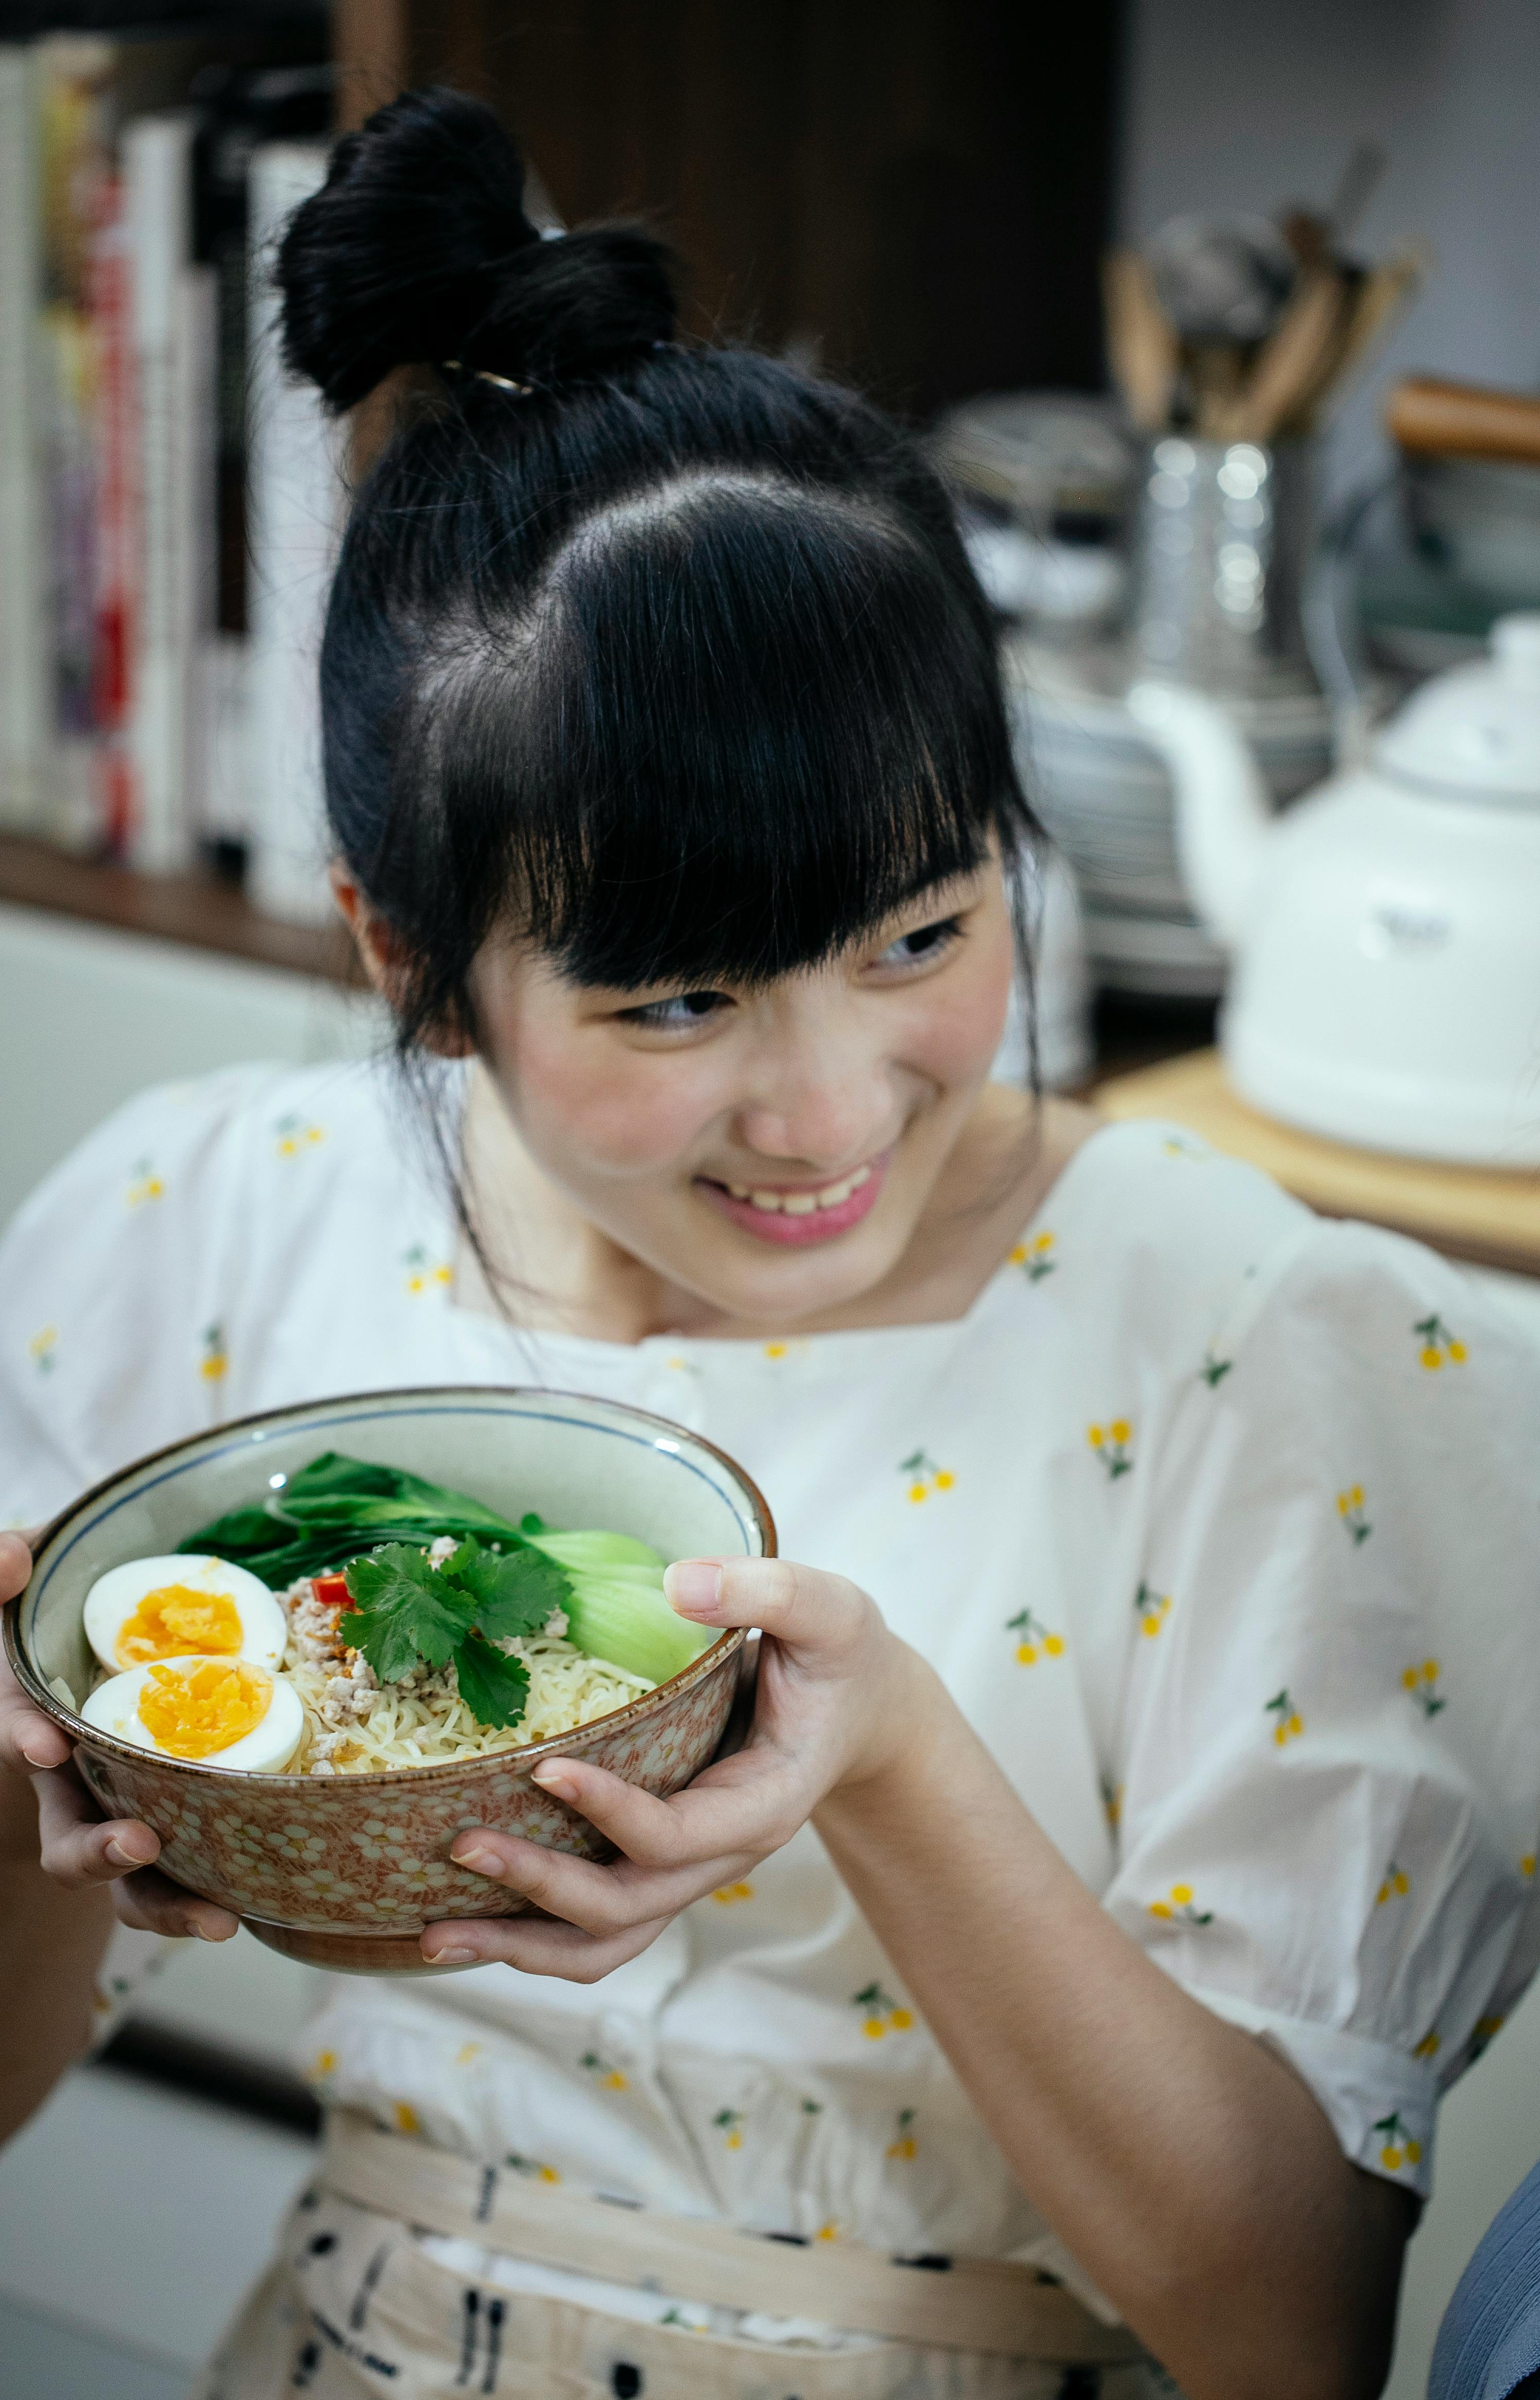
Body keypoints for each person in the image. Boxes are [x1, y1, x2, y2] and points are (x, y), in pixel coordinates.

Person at [3, 85, 1540, 2400]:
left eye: (923, 931)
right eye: (678, 999)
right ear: (408, 953)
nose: (830, 1109)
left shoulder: (1257, 1339)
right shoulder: (211, 1221)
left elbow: (1291, 2334)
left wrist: (890, 1762)